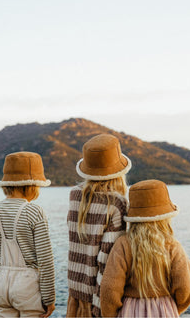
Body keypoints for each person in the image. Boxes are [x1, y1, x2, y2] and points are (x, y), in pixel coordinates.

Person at [100, 179, 190, 317]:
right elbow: (186, 288)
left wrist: (110, 315)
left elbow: (110, 289)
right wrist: (173, 308)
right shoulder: (172, 246)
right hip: (165, 309)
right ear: (165, 218)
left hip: (130, 311)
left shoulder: (123, 244)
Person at [0, 151, 56, 318]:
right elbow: (45, 259)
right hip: (27, 286)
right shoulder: (34, 211)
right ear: (32, 186)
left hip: (1, 283)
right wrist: (49, 298)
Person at [66, 134, 132, 317]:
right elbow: (107, 262)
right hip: (96, 299)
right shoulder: (117, 204)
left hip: (74, 295)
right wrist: (100, 309)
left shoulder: (74, 195)